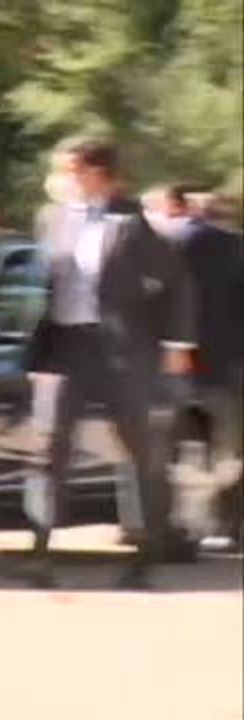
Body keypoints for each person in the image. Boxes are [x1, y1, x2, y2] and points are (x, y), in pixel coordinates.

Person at [17, 138, 197, 589]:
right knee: (48, 447)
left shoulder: (132, 222)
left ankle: (146, 556)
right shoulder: (51, 218)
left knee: (138, 452)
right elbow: (39, 285)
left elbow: (179, 283)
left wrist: (176, 343)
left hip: (120, 352)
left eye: (70, 170)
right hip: (66, 348)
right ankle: (38, 551)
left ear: (96, 174)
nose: (62, 179)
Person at [145, 186, 244, 550]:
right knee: (228, 452)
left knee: (169, 453)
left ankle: (171, 528)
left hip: (171, 364)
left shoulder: (163, 242)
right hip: (227, 366)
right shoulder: (235, 247)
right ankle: (225, 526)